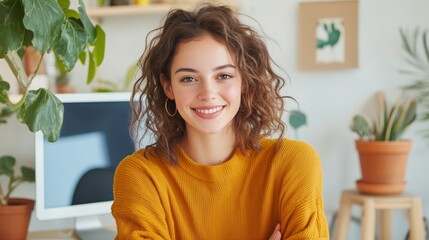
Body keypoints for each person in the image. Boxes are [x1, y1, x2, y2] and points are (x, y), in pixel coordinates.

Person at [112, 3, 329, 240]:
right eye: (188, 78)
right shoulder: (141, 175)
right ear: (168, 87)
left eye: (223, 76)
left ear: (244, 81)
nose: (208, 93)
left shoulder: (293, 163)